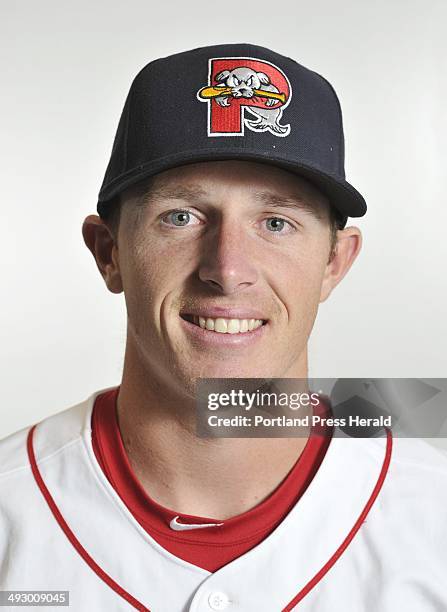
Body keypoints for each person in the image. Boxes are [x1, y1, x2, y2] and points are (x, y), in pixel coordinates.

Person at [1, 43, 446, 612]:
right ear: (108, 252)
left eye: (276, 222)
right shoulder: (11, 512)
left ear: (335, 262)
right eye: (180, 217)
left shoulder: (434, 520)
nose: (227, 270)